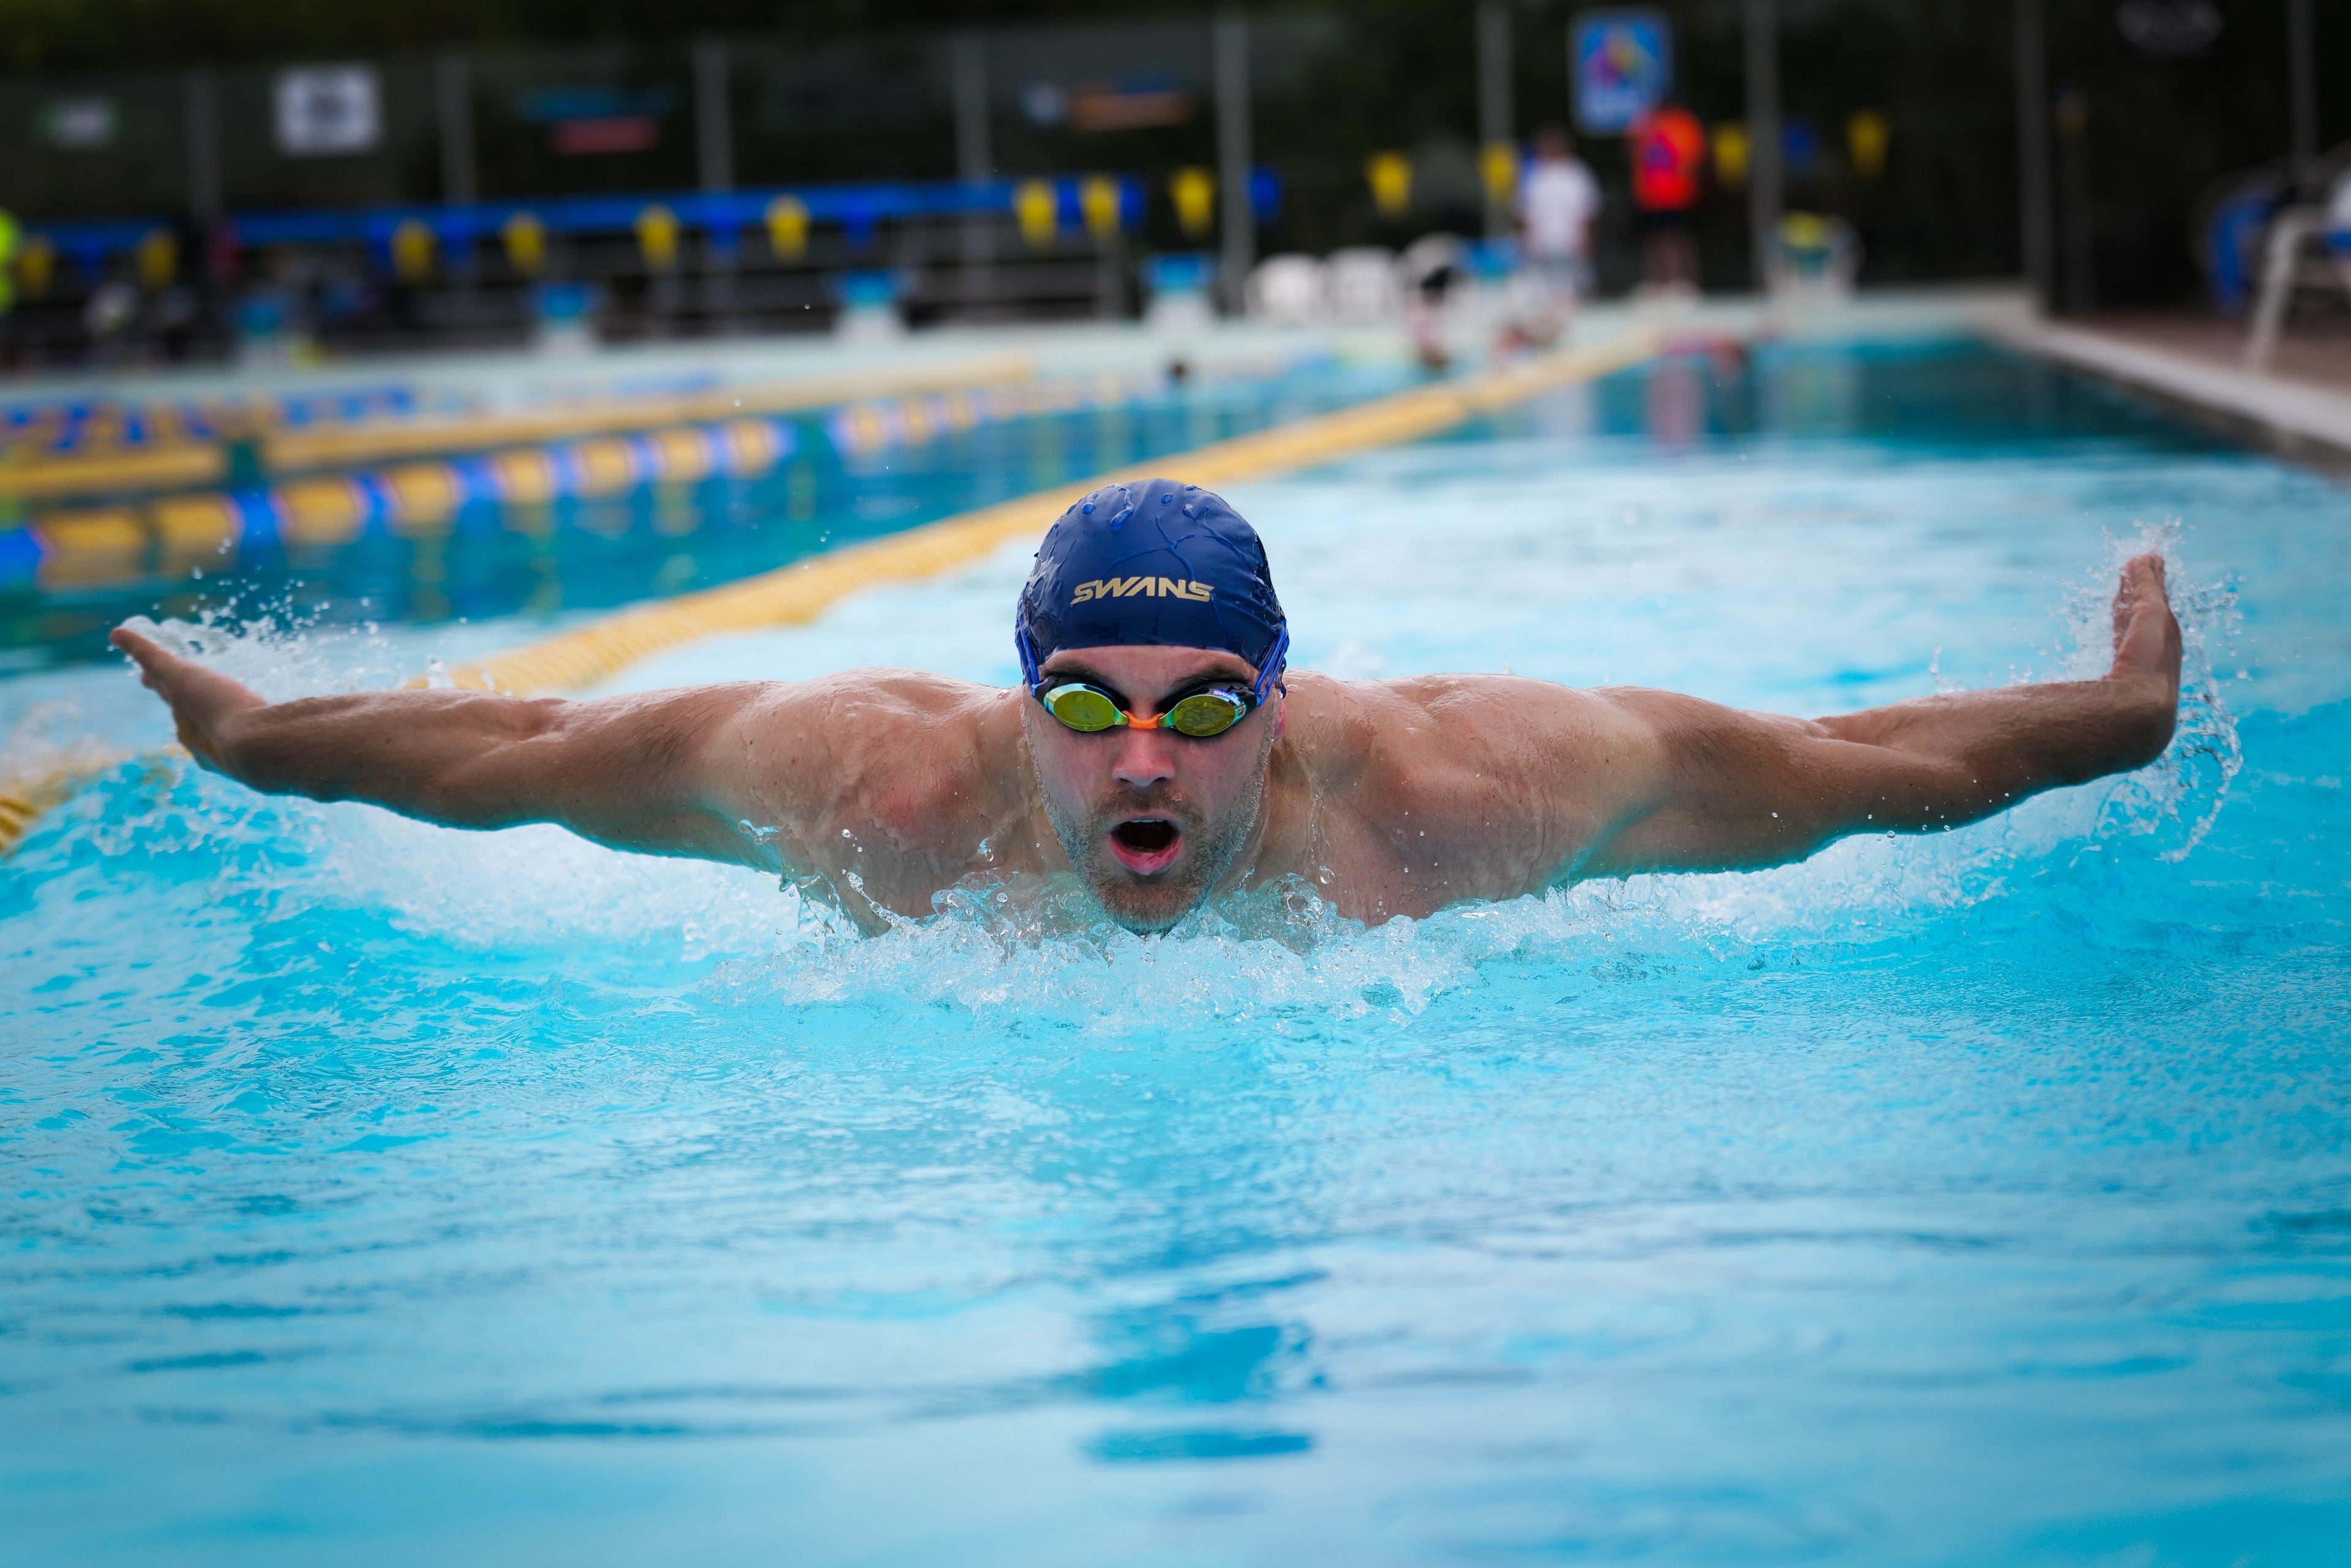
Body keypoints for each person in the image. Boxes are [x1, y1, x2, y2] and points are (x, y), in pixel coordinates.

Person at [111, 478, 2184, 937]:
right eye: (1085, 704)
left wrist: (2118, 715)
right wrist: (259, 738)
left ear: (1281, 702)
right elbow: (526, 756)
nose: (1135, 760)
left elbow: (1848, 769)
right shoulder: (873, 789)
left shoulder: (1465, 790)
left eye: (1199, 713)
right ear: (1016, 698)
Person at [1628, 103, 1706, 294]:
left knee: (1676, 239)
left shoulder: (1683, 124)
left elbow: (1694, 159)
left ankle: (1681, 281)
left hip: (1677, 195)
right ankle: (1657, 283)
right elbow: (1633, 152)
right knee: (1652, 240)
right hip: (1650, 196)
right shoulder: (1646, 122)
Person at [1519, 126, 1601, 299]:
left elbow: (1587, 211)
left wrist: (1587, 240)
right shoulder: (1535, 174)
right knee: (1544, 293)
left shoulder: (1576, 173)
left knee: (1572, 292)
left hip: (1570, 243)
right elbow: (1527, 213)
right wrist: (1528, 242)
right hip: (1542, 245)